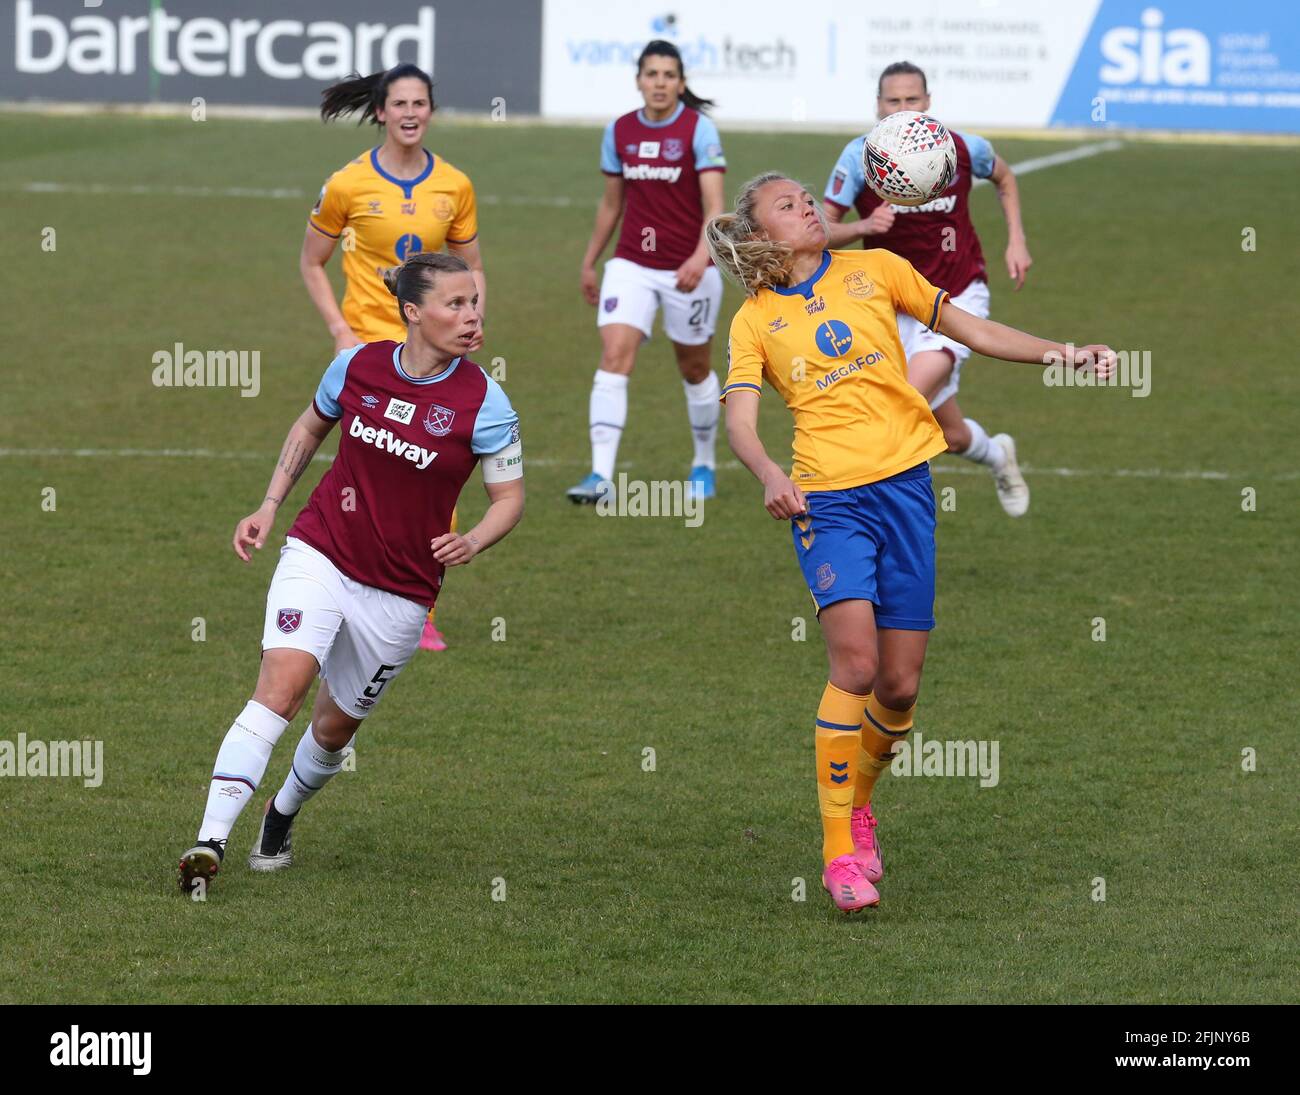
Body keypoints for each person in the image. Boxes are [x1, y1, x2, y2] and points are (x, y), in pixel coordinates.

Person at [706, 174, 1113, 912]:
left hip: (907, 491)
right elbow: (737, 417)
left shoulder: (878, 270)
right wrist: (768, 471)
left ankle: (861, 801)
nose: (808, 207)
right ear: (763, 235)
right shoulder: (753, 320)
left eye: (807, 198)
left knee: (899, 686)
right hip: (827, 499)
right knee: (856, 663)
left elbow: (975, 333)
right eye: (789, 206)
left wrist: (1067, 351)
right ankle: (837, 854)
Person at [178, 252, 523, 893]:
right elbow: (310, 428)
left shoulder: (486, 402)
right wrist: (269, 504)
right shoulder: (356, 366)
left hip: (401, 591)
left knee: (334, 731)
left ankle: (280, 815)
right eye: (456, 304)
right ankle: (208, 844)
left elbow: (510, 498)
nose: (472, 315)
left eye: (475, 302)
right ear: (413, 313)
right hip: (321, 551)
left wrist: (473, 539)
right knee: (280, 688)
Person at [302, 62, 484, 650]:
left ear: (431, 111)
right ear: (380, 111)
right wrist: (338, 329)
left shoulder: (453, 186)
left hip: (431, 350)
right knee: (365, 472)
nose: (410, 113)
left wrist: (469, 317)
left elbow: (471, 264)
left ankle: (419, 600)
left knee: (436, 473)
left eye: (420, 103)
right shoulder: (348, 185)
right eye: (399, 104)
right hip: (370, 352)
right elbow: (312, 261)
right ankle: (343, 584)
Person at [823, 61, 1035, 516]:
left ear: (928, 101)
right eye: (893, 101)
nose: (903, 108)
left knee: (899, 400)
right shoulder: (859, 156)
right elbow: (821, 229)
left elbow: (1005, 177)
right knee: (952, 436)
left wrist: (1016, 239)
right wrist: (865, 224)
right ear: (878, 105)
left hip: (958, 294)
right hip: (891, 306)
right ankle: (998, 455)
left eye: (912, 99)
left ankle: (863, 519)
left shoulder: (959, 148)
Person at [567, 39, 727, 504]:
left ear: (681, 82)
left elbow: (715, 206)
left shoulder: (699, 131)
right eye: (651, 74)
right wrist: (590, 260)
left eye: (668, 75)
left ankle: (704, 462)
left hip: (688, 267)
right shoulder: (619, 131)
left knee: (694, 368)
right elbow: (612, 203)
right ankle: (600, 476)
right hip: (632, 263)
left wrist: (702, 256)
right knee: (615, 354)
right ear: (638, 80)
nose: (659, 83)